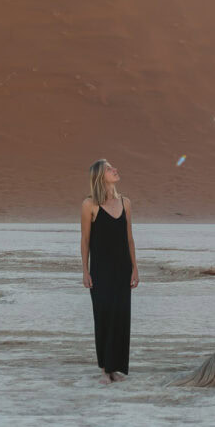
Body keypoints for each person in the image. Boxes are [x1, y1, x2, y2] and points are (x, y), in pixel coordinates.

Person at [81, 158, 140, 382]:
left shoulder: (125, 202)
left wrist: (135, 268)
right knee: (104, 315)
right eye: (109, 169)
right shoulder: (89, 205)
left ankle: (116, 368)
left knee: (121, 317)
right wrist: (85, 271)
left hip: (122, 269)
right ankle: (106, 370)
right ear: (99, 176)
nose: (115, 170)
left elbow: (129, 238)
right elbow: (85, 240)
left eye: (113, 167)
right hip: (100, 270)